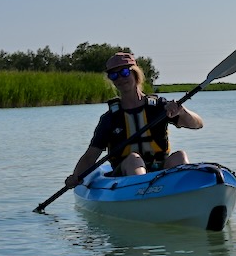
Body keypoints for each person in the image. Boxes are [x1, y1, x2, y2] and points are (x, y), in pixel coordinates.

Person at [64, 51, 203, 188]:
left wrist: (182, 112)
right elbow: (90, 156)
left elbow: (197, 124)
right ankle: (143, 192)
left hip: (159, 169)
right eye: (113, 75)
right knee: (133, 159)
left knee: (180, 156)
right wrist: (76, 176)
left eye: (124, 72)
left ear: (135, 73)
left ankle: (184, 190)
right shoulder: (110, 118)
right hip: (125, 177)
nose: (120, 78)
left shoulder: (159, 107)